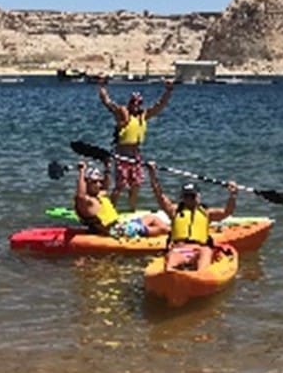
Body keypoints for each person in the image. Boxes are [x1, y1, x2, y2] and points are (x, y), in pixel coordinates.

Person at [97, 76, 174, 210]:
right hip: (122, 152)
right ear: (129, 103)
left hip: (136, 153)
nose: (136, 105)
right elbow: (107, 102)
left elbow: (160, 105)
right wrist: (102, 86)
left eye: (138, 103)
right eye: (133, 103)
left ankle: (132, 209)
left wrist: (168, 91)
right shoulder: (122, 114)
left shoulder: (143, 115)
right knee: (121, 185)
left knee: (136, 184)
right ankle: (109, 210)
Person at [146, 161, 238, 271]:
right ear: (182, 197)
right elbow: (159, 196)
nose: (189, 199)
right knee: (170, 267)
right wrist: (152, 175)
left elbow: (227, 212)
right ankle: (172, 276)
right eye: (186, 196)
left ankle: (201, 276)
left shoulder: (206, 213)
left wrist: (232, 195)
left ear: (198, 196)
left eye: (192, 196)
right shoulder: (175, 211)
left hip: (199, 249)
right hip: (179, 249)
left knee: (206, 252)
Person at [73, 162, 169, 238]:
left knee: (152, 217)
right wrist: (82, 171)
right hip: (115, 232)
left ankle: (175, 231)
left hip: (121, 226)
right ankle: (174, 236)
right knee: (163, 229)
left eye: (99, 181)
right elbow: (80, 195)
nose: (99, 184)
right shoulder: (87, 202)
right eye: (95, 182)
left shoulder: (98, 195)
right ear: (87, 183)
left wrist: (107, 167)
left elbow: (106, 186)